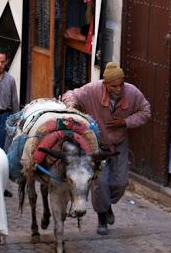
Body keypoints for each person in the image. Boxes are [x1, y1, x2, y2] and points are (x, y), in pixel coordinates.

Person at [62, 62, 151, 235]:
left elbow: (145, 111)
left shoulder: (132, 92)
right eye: (114, 86)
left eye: (121, 84)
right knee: (100, 183)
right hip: (97, 143)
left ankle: (107, 204)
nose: (119, 89)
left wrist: (126, 122)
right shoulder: (92, 89)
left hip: (119, 143)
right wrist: (71, 107)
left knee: (120, 182)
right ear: (105, 84)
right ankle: (102, 216)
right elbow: (70, 94)